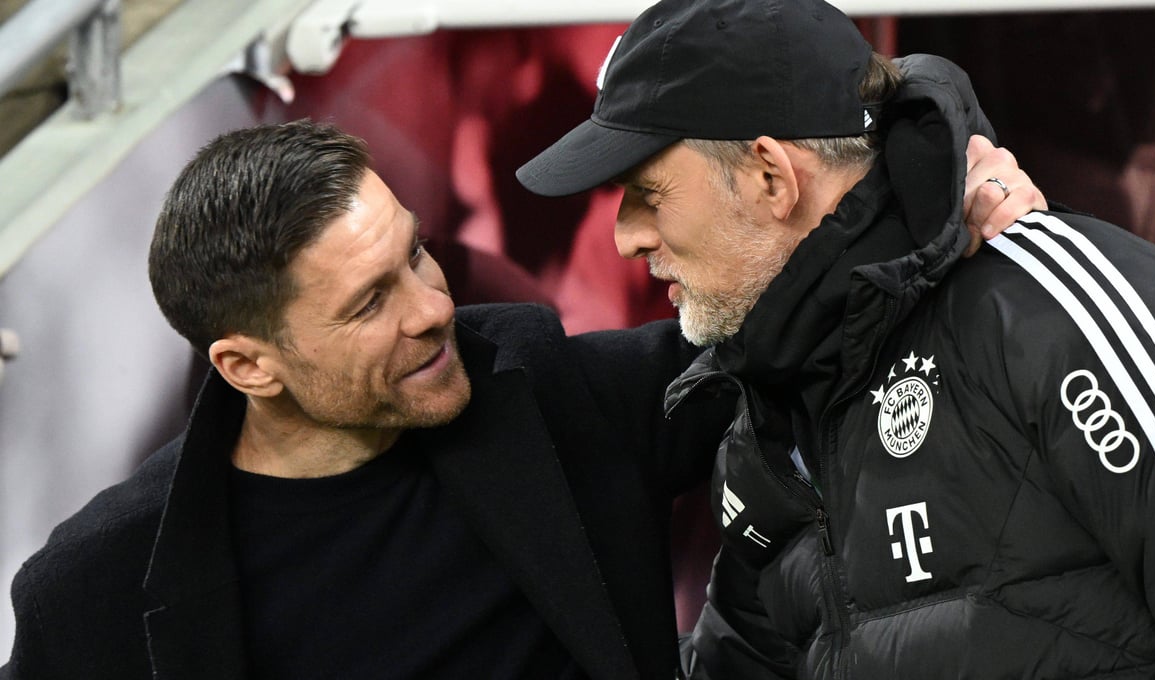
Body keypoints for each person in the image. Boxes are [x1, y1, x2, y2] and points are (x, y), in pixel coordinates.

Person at [0, 116, 1036, 679]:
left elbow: (801, 329)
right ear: (248, 366)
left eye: (415, 256)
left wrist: (945, 195)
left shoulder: (542, 393)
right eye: (369, 303)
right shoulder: (98, 590)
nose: (432, 309)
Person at [516, 0, 1155, 677]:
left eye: (649, 192)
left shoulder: (1042, 308)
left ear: (770, 177)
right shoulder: (765, 428)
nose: (627, 237)